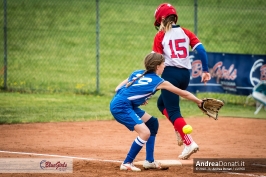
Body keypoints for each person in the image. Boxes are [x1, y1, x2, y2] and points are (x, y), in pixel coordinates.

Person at [110, 53, 203, 171]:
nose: (164, 66)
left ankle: (149, 161)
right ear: (157, 66)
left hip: (124, 103)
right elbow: (183, 93)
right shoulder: (159, 81)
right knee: (145, 133)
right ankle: (127, 162)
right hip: (122, 107)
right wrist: (199, 102)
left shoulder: (138, 73)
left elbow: (117, 88)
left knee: (152, 123)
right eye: (163, 64)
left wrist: (137, 97)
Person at [152, 3, 211, 159]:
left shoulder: (161, 36)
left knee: (173, 111)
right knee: (161, 104)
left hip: (169, 75)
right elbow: (202, 50)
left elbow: (155, 61)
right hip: (185, 75)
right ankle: (178, 128)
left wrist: (151, 83)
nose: (159, 26)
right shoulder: (185, 32)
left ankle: (189, 142)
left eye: (159, 22)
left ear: (163, 19)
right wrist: (205, 71)